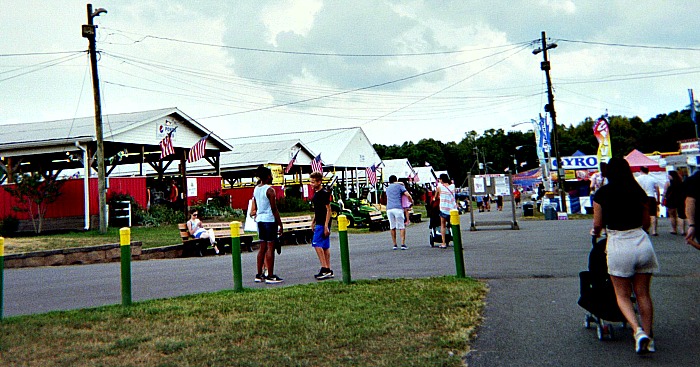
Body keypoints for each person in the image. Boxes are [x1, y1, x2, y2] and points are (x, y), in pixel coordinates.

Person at [592, 157, 659, 354]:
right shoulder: (637, 191)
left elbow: (597, 224)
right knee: (643, 294)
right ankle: (650, 336)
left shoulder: (602, 194)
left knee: (622, 294)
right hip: (641, 241)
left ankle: (637, 331)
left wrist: (595, 234)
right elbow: (646, 222)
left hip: (618, 243)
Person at [250, 166, 284, 284]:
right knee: (270, 247)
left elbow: (257, 205)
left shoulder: (256, 189)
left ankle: (259, 274)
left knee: (262, 247)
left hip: (260, 220)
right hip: (269, 220)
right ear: (268, 176)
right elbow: (274, 209)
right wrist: (280, 224)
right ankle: (270, 274)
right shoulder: (270, 190)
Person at [310, 171, 334, 279]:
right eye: (311, 182)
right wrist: (313, 221)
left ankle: (324, 268)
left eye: (313, 182)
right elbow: (317, 210)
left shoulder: (324, 193)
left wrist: (325, 226)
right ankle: (328, 268)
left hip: (323, 223)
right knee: (324, 246)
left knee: (316, 244)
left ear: (319, 182)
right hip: (318, 221)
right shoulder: (316, 194)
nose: (311, 184)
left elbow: (328, 210)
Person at [386, 175, 413, 250]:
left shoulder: (387, 188)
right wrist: (411, 201)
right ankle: (402, 244)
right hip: (398, 207)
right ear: (396, 179)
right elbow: (407, 195)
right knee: (401, 226)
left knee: (392, 226)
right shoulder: (399, 186)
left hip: (389, 208)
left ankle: (394, 244)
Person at [635, 166, 660, 236]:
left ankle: (645, 229)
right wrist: (658, 199)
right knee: (653, 214)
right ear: (648, 171)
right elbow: (657, 190)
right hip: (651, 197)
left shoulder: (637, 179)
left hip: (641, 198)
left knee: (642, 214)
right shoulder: (653, 179)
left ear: (640, 171)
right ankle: (654, 231)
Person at [435, 173, 457, 249]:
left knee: (443, 225)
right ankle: (457, 241)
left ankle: (443, 243)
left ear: (441, 179)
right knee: (454, 225)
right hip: (453, 208)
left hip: (444, 208)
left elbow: (436, 196)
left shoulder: (439, 187)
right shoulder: (453, 186)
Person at [663, 170, 686, 235]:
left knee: (672, 216)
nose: (668, 176)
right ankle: (682, 230)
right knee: (681, 216)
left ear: (671, 176)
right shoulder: (681, 182)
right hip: (680, 200)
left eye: (668, 175)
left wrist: (662, 200)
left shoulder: (668, 183)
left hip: (671, 200)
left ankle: (674, 229)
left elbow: (665, 192)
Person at [684, 170, 700, 250]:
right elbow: (690, 201)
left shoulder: (695, 179)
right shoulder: (695, 179)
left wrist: (692, 225)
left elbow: (690, 201)